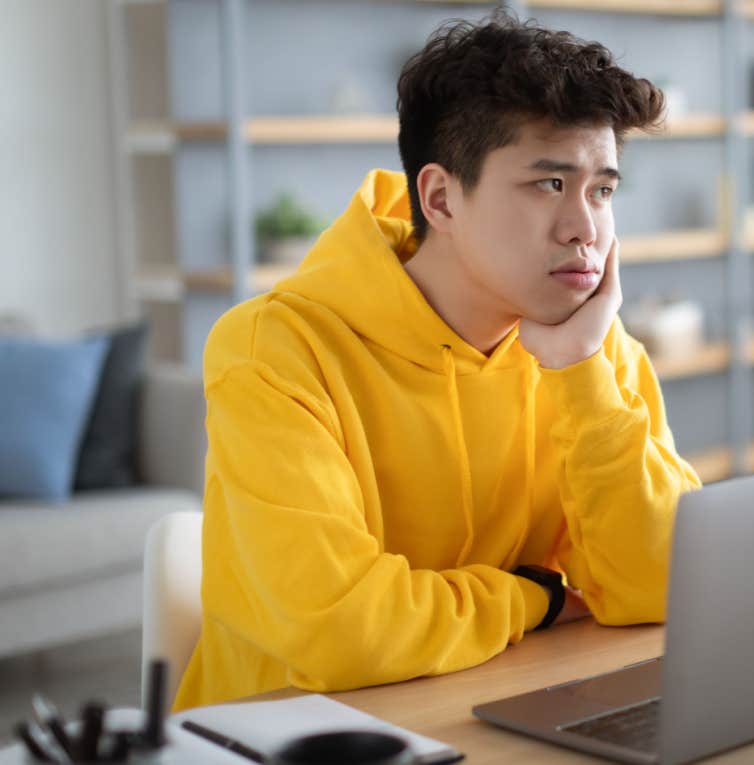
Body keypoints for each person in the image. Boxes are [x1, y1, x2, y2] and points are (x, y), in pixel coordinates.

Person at [172, 12, 700, 711]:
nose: (587, 229)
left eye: (602, 189)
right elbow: (342, 631)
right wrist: (531, 596)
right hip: (286, 734)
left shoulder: (590, 347)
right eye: (550, 184)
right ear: (442, 198)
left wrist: (582, 375)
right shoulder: (274, 349)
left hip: (494, 711)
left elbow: (667, 584)